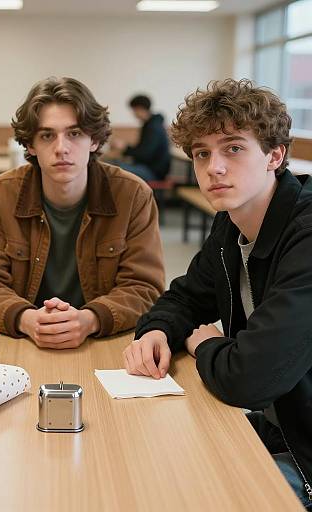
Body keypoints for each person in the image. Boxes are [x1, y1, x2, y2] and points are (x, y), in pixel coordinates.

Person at [123, 79, 312, 509]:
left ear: (275, 155)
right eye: (202, 154)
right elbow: (186, 298)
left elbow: (250, 378)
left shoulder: (306, 236)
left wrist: (204, 341)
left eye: (233, 148)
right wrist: (156, 331)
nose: (215, 168)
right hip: (274, 429)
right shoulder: (231, 223)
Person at [0, 77, 165, 349]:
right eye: (47, 135)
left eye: (75, 133)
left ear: (94, 140)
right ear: (30, 145)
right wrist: (25, 318)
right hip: (22, 341)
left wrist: (90, 319)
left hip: (104, 342)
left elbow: (144, 287)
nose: (61, 148)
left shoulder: (133, 195)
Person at [110, 94, 170, 181]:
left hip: (154, 172)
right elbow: (142, 151)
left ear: (140, 109)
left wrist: (124, 147)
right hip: (148, 168)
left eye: (134, 110)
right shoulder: (149, 124)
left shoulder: (153, 127)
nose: (133, 114)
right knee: (113, 164)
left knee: (114, 168)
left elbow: (144, 155)